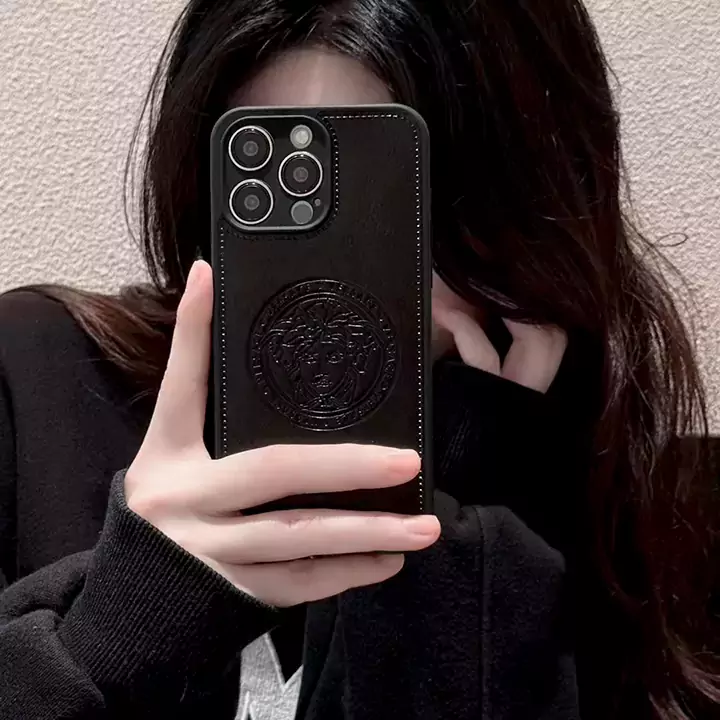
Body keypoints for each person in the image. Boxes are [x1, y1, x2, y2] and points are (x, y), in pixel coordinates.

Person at [0, 0, 717, 718]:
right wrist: (116, 631)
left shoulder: (639, 514)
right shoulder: (37, 383)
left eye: (388, 193)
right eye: (279, 180)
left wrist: (477, 538)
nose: (336, 268)